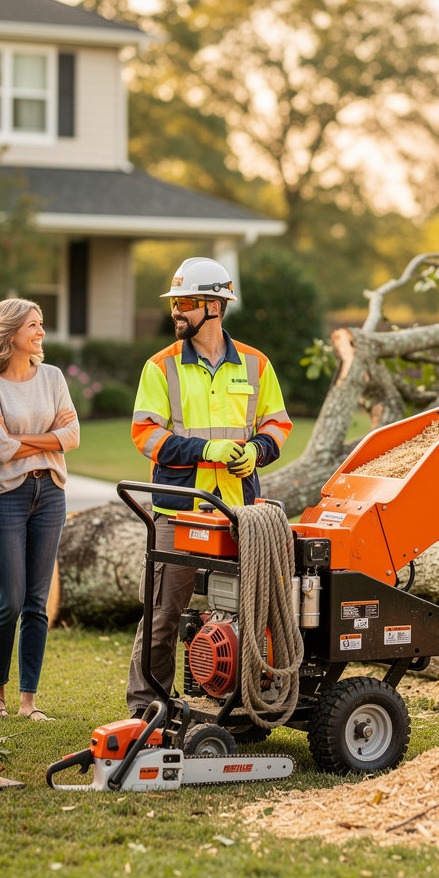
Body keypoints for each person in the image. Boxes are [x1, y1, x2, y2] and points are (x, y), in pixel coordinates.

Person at [127, 257, 292, 716]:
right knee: (161, 615)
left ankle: (247, 701)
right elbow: (147, 435)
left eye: (186, 303)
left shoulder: (257, 365)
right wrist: (206, 451)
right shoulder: (160, 367)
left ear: (215, 306)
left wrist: (257, 451)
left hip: (242, 514)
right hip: (181, 512)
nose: (176, 311)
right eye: (175, 302)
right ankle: (147, 708)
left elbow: (277, 424)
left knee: (257, 610)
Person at [0, 299, 79, 722]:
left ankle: (28, 701)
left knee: (37, 602)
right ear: (10, 333)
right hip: (6, 497)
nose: (41, 332)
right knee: (10, 599)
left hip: (50, 492)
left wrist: (26, 439)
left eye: (41, 324)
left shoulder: (52, 377)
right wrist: (47, 437)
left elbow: (71, 436)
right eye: (33, 325)